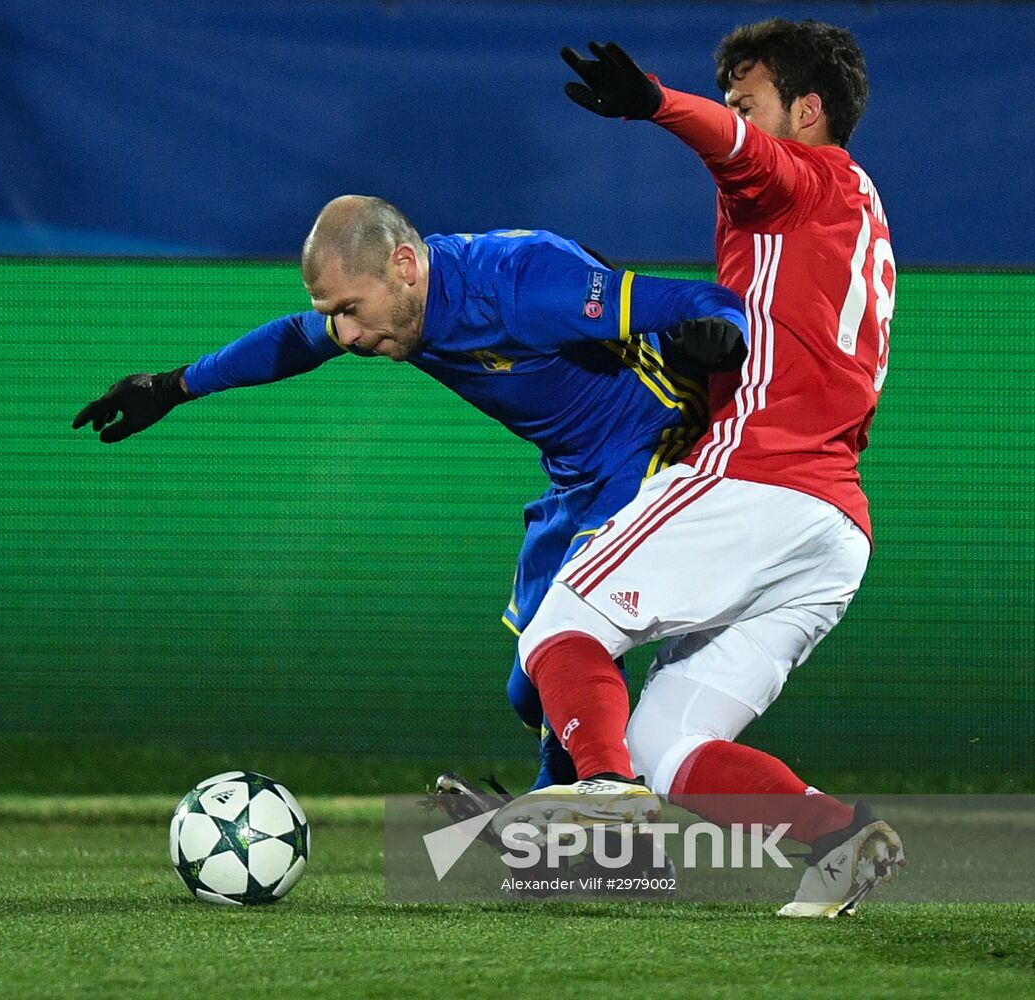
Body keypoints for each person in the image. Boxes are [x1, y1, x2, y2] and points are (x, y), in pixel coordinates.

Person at [74, 194, 748, 789]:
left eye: (351, 310)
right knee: (528, 685)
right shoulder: (392, 307)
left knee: (566, 646)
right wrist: (171, 386)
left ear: (403, 264)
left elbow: (701, 301)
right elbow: (294, 340)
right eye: (334, 314)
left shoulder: (521, 283)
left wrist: (729, 334)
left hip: (656, 450)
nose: (351, 335)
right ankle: (567, 809)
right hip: (574, 477)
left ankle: (586, 809)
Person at [497, 20, 904, 917]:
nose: (737, 118)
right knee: (670, 738)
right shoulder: (860, 206)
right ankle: (834, 835)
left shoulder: (801, 178)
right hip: (831, 529)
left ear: (807, 112)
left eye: (749, 102)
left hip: (756, 480)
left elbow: (744, 157)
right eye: (730, 103)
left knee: (560, 625)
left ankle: (601, 795)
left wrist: (655, 103)